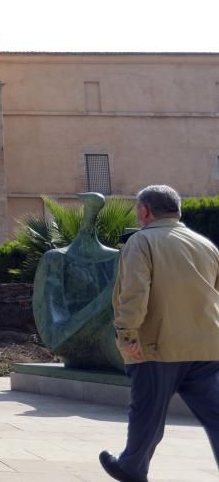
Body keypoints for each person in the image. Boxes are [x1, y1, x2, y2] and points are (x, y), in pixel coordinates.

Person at [99, 185, 219, 482]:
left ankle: (131, 467)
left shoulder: (142, 242)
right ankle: (130, 465)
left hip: (157, 345)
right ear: (177, 210)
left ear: (144, 211)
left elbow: (134, 293)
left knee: (147, 413)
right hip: (207, 348)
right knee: (217, 416)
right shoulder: (206, 245)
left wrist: (127, 336)